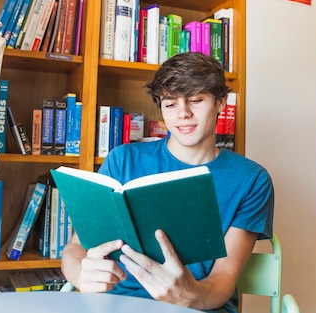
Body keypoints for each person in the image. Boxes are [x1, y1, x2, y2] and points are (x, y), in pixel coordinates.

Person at [61, 52, 274, 312]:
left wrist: (188, 294)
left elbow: (224, 278)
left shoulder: (251, 180)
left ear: (221, 102)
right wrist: (82, 275)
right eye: (170, 104)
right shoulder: (123, 160)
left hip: (199, 307)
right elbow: (74, 248)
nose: (182, 114)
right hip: (119, 305)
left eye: (195, 100)